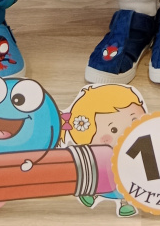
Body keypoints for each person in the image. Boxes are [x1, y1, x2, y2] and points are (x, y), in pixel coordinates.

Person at [62, 83, 146, 216]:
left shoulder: (139, 146)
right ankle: (92, 194)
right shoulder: (97, 153)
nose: (125, 131)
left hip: (128, 177)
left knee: (126, 184)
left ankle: (124, 203)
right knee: (97, 177)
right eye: (113, 130)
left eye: (134, 120)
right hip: (101, 175)